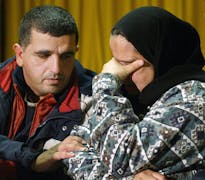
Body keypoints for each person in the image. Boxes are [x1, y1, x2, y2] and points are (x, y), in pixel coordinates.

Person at [65, 6, 205, 180]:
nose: (121, 74)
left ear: (162, 57)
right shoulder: (130, 94)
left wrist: (106, 83)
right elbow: (73, 152)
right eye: (116, 63)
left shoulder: (195, 101)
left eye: (129, 64)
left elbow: (121, 156)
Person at [0, 5, 96, 179]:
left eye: (66, 56)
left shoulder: (95, 96)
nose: (56, 68)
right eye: (43, 56)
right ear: (20, 54)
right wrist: (35, 160)